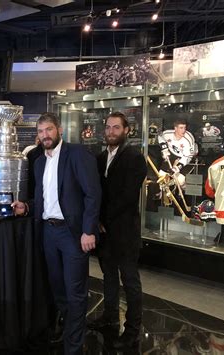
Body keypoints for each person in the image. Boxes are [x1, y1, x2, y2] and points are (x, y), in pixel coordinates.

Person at [14, 112, 101, 355]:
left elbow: (92, 195)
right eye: (41, 132)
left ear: (59, 130)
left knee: (75, 292)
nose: (45, 135)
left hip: (72, 234)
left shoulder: (77, 154)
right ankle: (69, 330)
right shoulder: (39, 161)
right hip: (48, 234)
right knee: (57, 288)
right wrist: (27, 207)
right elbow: (43, 198)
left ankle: (73, 347)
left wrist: (88, 231)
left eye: (49, 130)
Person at [89, 112, 147, 349]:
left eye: (116, 128)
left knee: (130, 281)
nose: (111, 132)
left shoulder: (135, 157)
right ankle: (110, 317)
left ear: (126, 130)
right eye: (108, 127)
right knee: (109, 277)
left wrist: (103, 219)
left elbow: (127, 197)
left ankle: (132, 329)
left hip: (124, 232)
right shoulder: (101, 157)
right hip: (105, 232)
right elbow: (97, 193)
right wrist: (97, 220)